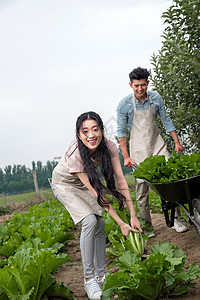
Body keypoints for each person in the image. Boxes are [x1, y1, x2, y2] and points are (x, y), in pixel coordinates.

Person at [52, 111, 142, 300]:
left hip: (87, 183)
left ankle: (102, 275)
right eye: (85, 131)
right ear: (79, 134)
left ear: (102, 130)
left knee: (100, 223)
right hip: (66, 184)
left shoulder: (109, 146)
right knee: (90, 222)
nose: (91, 135)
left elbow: (122, 182)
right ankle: (89, 279)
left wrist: (133, 217)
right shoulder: (76, 154)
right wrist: (121, 223)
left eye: (95, 129)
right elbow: (98, 194)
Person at [117, 67, 188, 236]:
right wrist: (126, 156)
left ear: (147, 83)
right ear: (130, 85)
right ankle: (147, 226)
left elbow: (166, 120)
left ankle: (175, 219)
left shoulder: (156, 98)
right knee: (141, 189)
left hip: (157, 145)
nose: (140, 89)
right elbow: (121, 133)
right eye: (136, 86)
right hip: (138, 150)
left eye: (143, 85)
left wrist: (177, 142)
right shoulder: (124, 105)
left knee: (171, 181)